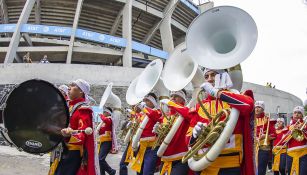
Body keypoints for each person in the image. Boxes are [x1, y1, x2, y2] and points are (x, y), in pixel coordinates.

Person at [190, 68, 255, 175]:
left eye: (213, 75)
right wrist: (194, 135)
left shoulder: (235, 98)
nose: (209, 79)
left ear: (224, 77)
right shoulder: (198, 106)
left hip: (228, 164)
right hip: (202, 164)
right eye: (206, 77)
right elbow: (187, 138)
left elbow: (248, 105)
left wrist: (217, 93)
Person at [49, 79, 98, 175]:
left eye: (73, 85)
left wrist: (69, 135)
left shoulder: (83, 109)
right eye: (69, 85)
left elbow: (83, 134)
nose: (69, 87)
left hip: (72, 153)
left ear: (81, 91)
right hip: (63, 149)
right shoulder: (69, 106)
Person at [156, 89, 193, 175]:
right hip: (165, 158)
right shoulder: (165, 116)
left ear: (183, 100)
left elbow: (188, 114)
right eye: (171, 96)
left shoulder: (186, 112)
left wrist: (171, 104)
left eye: (176, 96)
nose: (172, 98)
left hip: (181, 158)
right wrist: (158, 132)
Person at [130, 93, 162, 175]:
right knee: (139, 172)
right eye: (144, 100)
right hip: (141, 146)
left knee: (147, 172)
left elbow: (153, 115)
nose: (144, 102)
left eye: (147, 100)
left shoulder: (157, 111)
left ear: (153, 102)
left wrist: (143, 108)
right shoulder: (143, 114)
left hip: (151, 148)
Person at [119, 104, 143, 175]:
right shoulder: (133, 118)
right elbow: (123, 128)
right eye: (133, 106)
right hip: (130, 143)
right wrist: (127, 122)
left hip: (138, 145)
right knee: (122, 164)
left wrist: (134, 116)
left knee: (138, 167)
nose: (134, 108)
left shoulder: (142, 116)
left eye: (135, 106)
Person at [254, 101, 276, 175]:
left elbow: (274, 135)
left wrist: (265, 136)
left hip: (263, 147)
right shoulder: (250, 118)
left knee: (261, 170)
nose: (257, 109)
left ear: (263, 109)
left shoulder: (267, 119)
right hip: (252, 147)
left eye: (259, 107)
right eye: (256, 107)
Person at [286, 106, 307, 175]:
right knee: (290, 173)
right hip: (290, 153)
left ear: (302, 115)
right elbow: (283, 141)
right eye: (295, 113)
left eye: (299, 113)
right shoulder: (288, 126)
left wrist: (303, 129)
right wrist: (291, 131)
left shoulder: (305, 125)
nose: (296, 114)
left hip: (303, 153)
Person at [97, 107, 116, 175]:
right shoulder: (103, 122)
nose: (103, 113)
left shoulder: (110, 119)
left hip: (107, 141)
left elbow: (106, 120)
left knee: (100, 159)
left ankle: (111, 171)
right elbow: (101, 131)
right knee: (100, 160)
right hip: (102, 141)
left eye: (104, 112)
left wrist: (101, 116)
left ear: (108, 113)